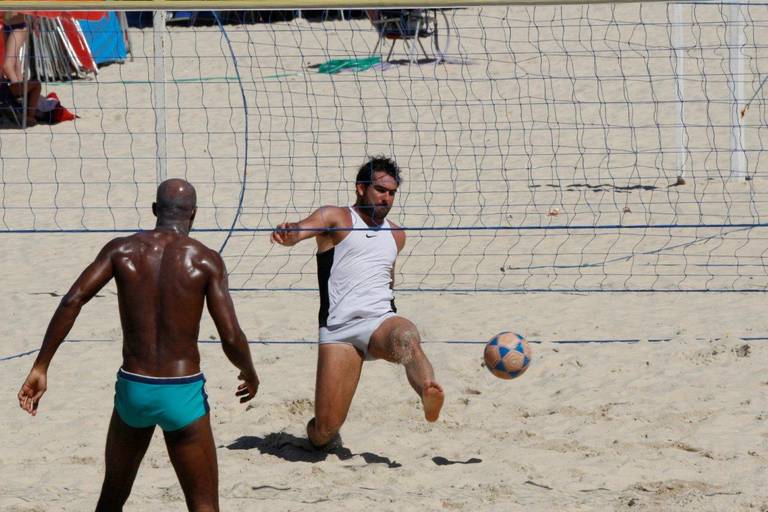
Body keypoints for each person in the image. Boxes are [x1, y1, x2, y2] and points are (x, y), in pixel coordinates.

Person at [18, 179, 259, 511]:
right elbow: (230, 335)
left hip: (134, 388)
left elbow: (73, 300)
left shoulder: (121, 249)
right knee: (203, 505)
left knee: (113, 496)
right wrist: (249, 372)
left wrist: (41, 365)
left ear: (154, 210)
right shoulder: (205, 260)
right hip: (181, 391)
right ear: (194, 214)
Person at [271, 156, 444, 449]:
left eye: (392, 193)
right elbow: (303, 229)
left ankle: (429, 389)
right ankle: (318, 433)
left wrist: (387, 314)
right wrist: (290, 234)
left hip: (379, 322)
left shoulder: (396, 234)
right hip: (339, 330)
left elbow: (387, 280)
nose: (386, 198)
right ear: (361, 188)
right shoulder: (335, 218)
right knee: (325, 431)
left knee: (407, 337)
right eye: (380, 190)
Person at [2, 11, 39, 126]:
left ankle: (17, 100)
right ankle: (22, 108)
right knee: (15, 63)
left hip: (18, 26)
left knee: (8, 65)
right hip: (5, 24)